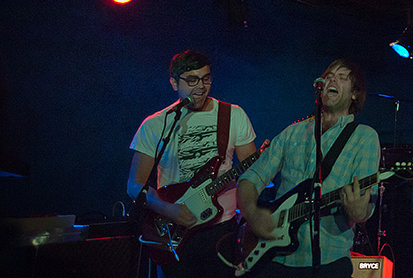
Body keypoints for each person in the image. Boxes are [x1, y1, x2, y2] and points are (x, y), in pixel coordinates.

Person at [237, 59, 380, 277]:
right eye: (330, 75)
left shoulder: (364, 137)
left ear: (354, 94)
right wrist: (252, 212)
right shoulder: (292, 132)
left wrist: (358, 210)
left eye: (342, 77)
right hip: (275, 259)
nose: (332, 78)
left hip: (328, 261)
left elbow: (363, 210)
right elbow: (251, 177)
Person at [127, 49, 258, 278]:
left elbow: (253, 173)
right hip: (173, 231)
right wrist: (170, 209)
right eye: (192, 80)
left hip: (221, 229)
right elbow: (134, 185)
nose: (201, 86)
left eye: (206, 78)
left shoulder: (233, 115)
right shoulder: (155, 124)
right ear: (174, 83)